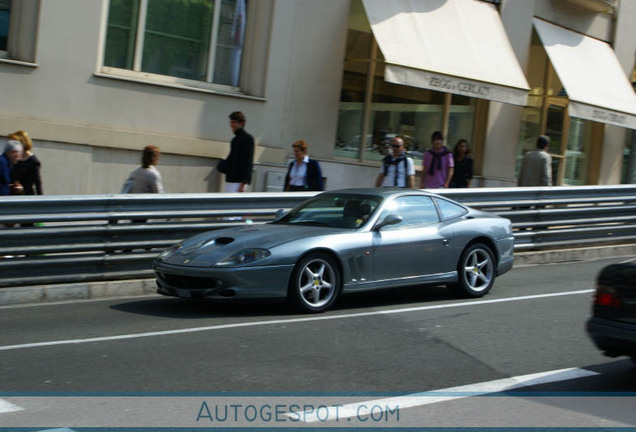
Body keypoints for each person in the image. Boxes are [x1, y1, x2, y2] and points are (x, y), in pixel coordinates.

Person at [223, 111, 254, 192]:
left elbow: (248, 161)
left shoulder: (248, 139)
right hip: (230, 179)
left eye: (234, 122)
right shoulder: (235, 139)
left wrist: (244, 182)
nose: (231, 125)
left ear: (242, 123)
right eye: (231, 122)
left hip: (238, 182)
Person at [9, 130, 43, 196]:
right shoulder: (14, 158)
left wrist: (41, 201)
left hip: (25, 197)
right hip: (11, 195)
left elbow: (37, 183)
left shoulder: (33, 161)